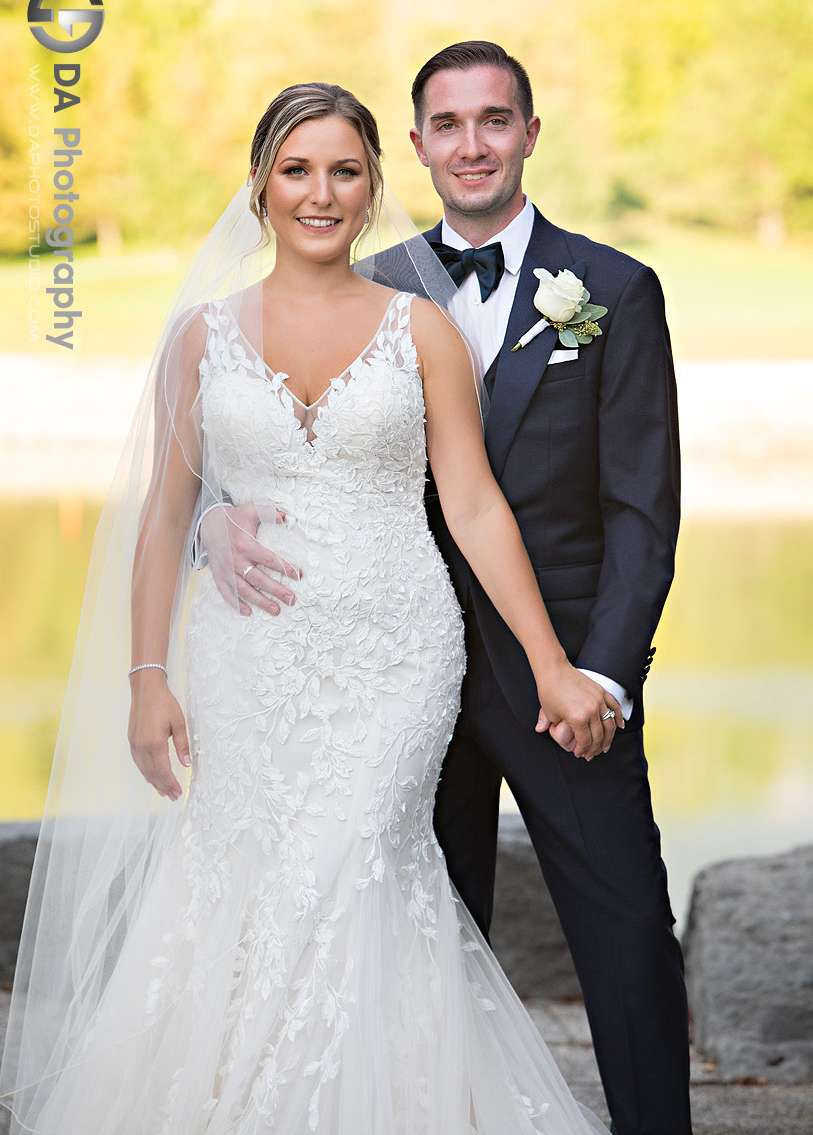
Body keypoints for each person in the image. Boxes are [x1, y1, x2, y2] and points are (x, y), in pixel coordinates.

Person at [0, 81, 623, 1135]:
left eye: (344, 170)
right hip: (249, 661)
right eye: (297, 169)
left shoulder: (418, 329)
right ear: (259, 186)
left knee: (363, 862)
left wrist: (554, 664)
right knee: (242, 871)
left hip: (396, 653)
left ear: (375, 184)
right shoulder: (199, 337)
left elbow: (472, 505)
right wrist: (147, 680)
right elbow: (166, 518)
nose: (320, 193)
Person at [200, 45, 690, 1135]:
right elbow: (261, 456)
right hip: (387, 676)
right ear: (414, 148)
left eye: (494, 120)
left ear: (527, 134)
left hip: (556, 675)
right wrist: (208, 521)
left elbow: (642, 513)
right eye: (448, 124)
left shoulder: (610, 290)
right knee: (406, 942)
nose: (472, 143)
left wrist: (599, 674)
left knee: (626, 932)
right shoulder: (365, 287)